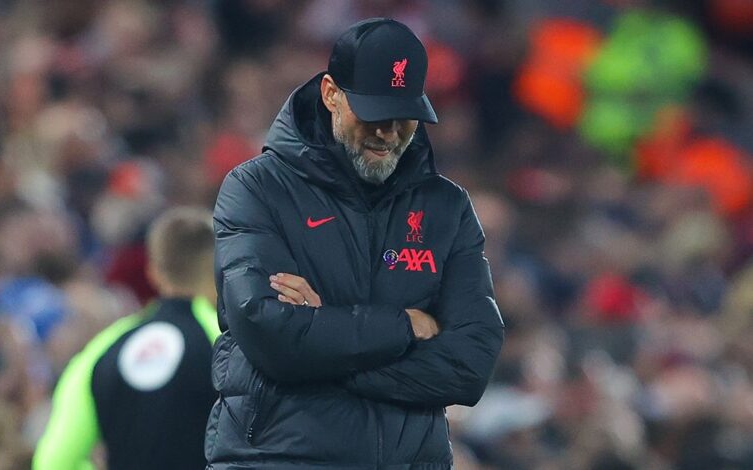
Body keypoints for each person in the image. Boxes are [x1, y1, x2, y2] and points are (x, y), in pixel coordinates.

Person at [205, 18, 505, 468]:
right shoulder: (256, 189)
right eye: (374, 112)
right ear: (330, 94)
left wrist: (323, 347)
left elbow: (470, 366)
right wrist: (405, 327)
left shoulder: (447, 207)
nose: (389, 132)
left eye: (404, 115)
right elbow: (270, 334)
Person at [33, 206, 221, 470]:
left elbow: (53, 462)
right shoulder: (229, 342)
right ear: (220, 269)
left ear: (154, 272)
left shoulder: (102, 349)